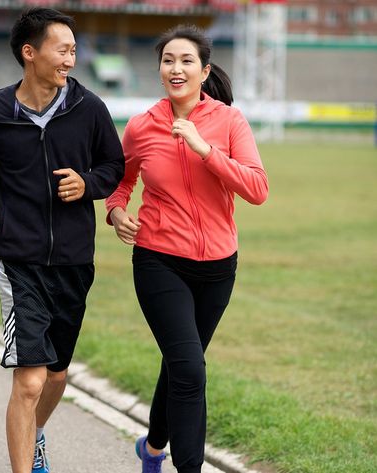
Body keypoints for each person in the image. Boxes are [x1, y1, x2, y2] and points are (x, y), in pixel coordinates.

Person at [0, 8, 124, 473]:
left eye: (73, 49)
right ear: (30, 52)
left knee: (57, 374)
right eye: (62, 48)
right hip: (16, 257)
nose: (71, 58)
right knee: (29, 381)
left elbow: (114, 168)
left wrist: (88, 184)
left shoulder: (90, 110)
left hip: (73, 260)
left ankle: (35, 434)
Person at [106, 25, 268, 473]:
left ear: (204, 70)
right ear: (160, 70)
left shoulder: (230, 122)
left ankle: (154, 447)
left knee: (184, 363)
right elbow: (120, 183)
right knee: (191, 370)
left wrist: (205, 150)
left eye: (186, 61)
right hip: (159, 260)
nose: (176, 68)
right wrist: (117, 212)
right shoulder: (142, 126)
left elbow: (257, 189)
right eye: (168, 61)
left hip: (219, 266)